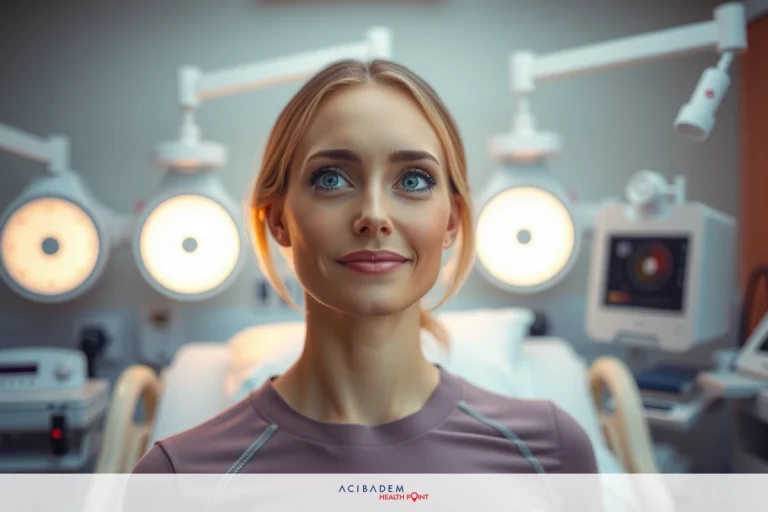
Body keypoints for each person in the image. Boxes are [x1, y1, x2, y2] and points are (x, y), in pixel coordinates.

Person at [132, 58, 598, 474]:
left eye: (413, 180)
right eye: (331, 178)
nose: (374, 215)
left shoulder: (549, 455)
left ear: (452, 221)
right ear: (278, 219)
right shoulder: (182, 479)